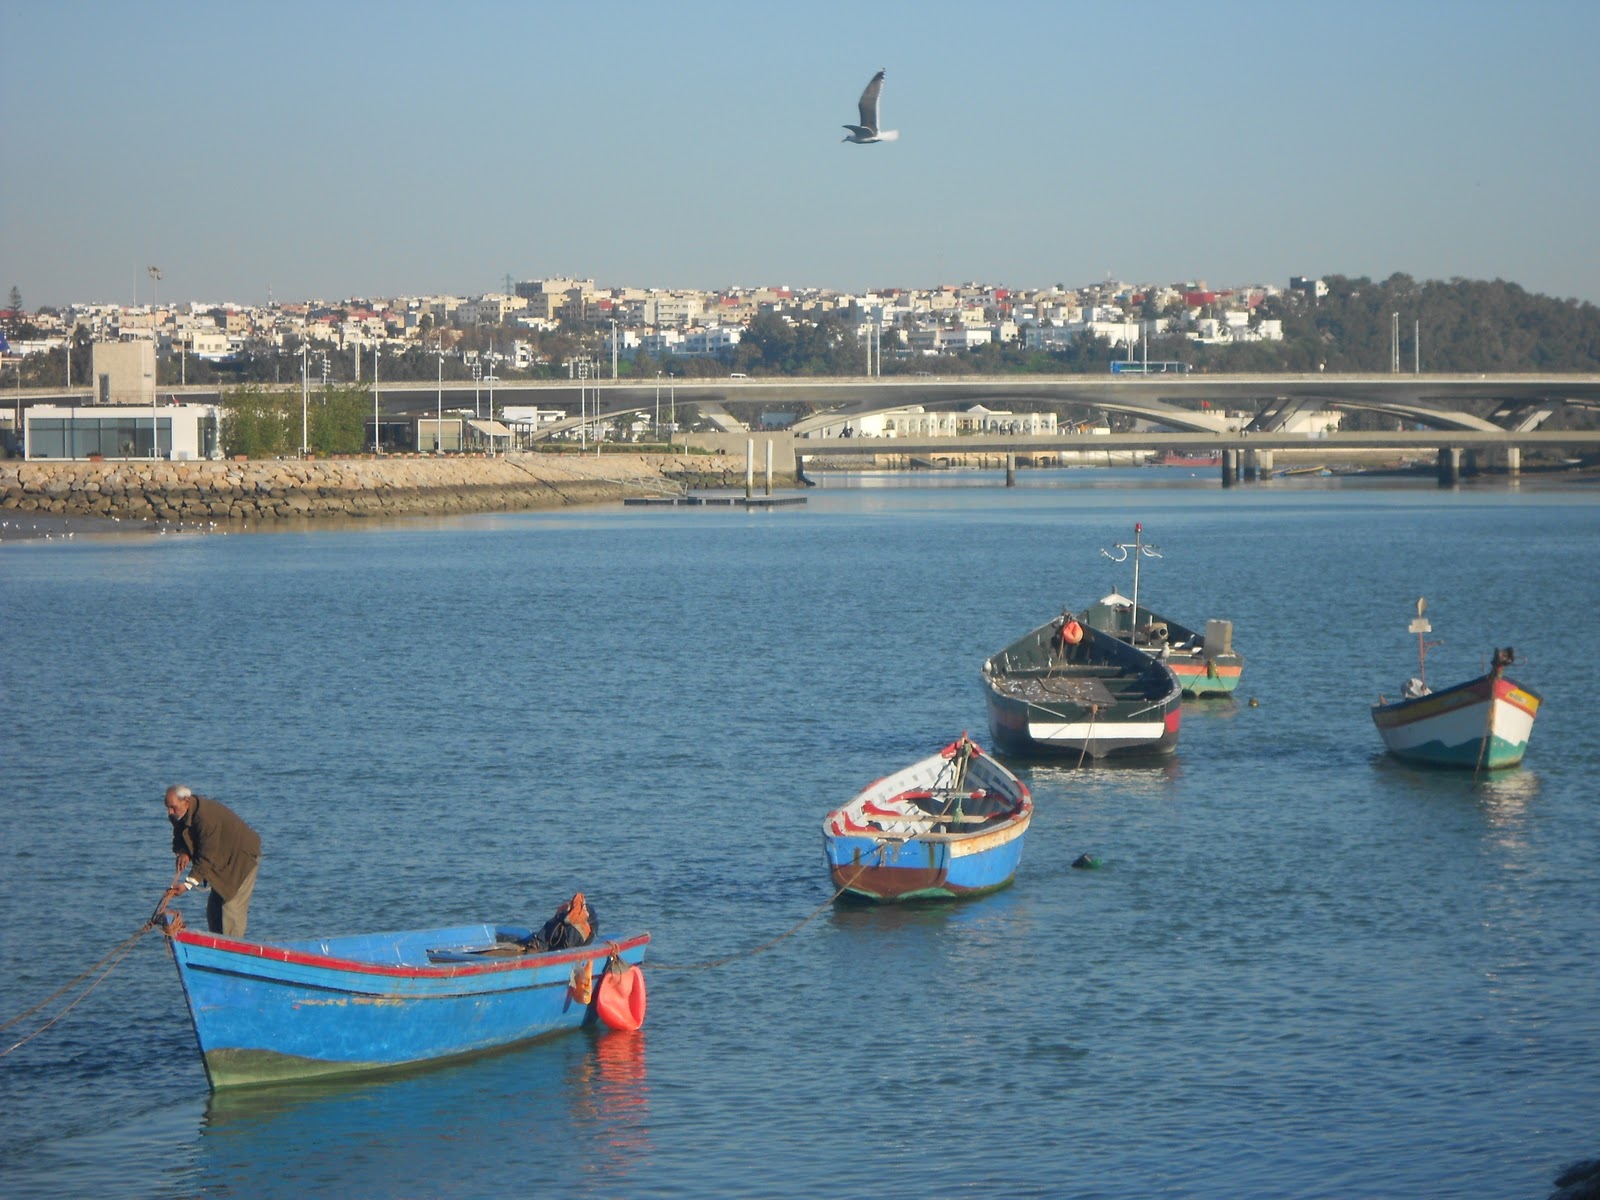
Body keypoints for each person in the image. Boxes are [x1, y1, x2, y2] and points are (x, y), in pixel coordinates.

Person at [163, 785, 261, 938]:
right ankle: (218, 948)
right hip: (221, 861)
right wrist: (183, 852)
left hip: (242, 859)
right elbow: (179, 835)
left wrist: (187, 885)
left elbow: (206, 857)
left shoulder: (205, 818)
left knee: (231, 907)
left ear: (186, 802)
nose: (169, 812)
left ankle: (231, 952)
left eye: (172, 807)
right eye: (167, 807)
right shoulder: (179, 814)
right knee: (214, 909)